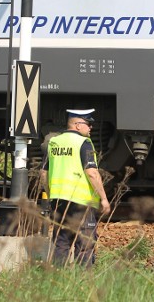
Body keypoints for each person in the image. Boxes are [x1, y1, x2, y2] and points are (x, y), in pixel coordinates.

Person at [40, 108, 111, 267]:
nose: (91, 128)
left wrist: (51, 194)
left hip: (59, 201)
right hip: (81, 202)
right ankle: (84, 282)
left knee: (61, 242)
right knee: (85, 244)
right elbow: (92, 173)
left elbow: (43, 173)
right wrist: (104, 199)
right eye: (88, 124)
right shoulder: (83, 143)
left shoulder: (54, 142)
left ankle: (58, 279)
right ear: (78, 125)